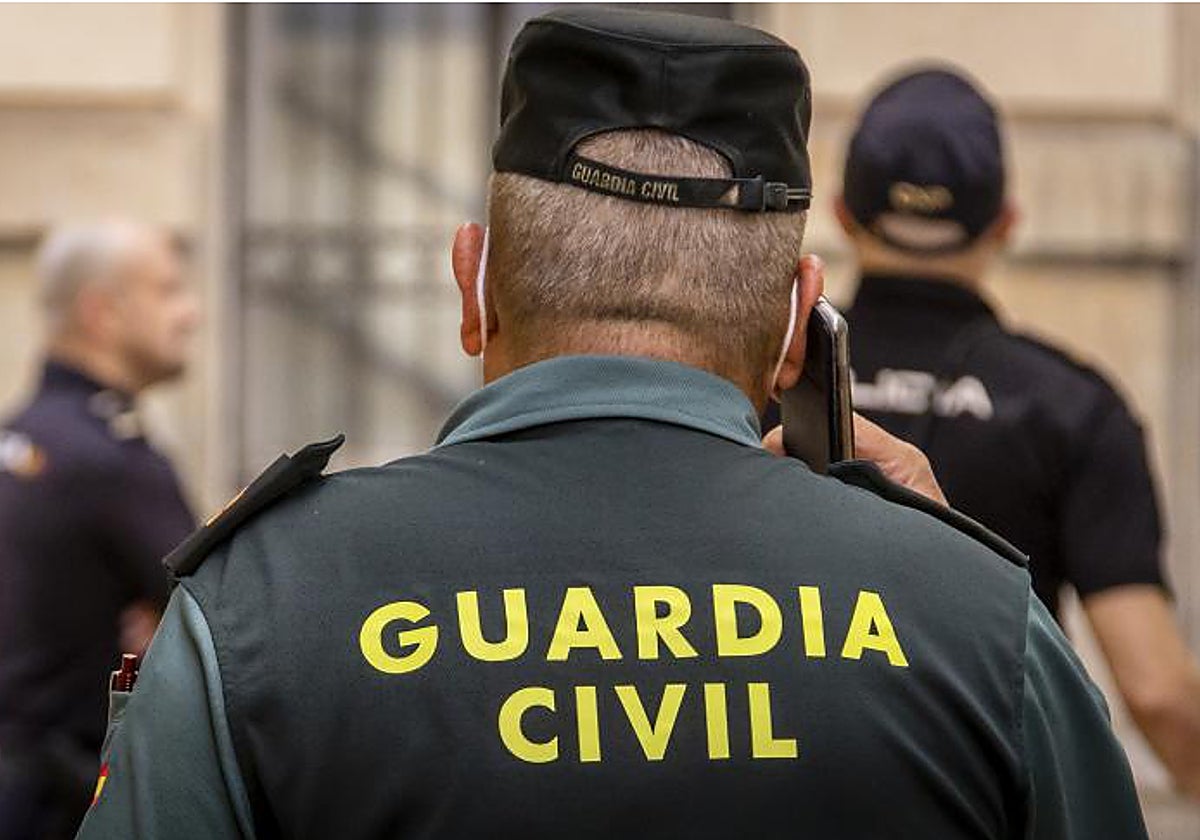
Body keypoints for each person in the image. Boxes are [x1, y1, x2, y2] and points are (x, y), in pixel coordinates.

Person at [77, 10, 1146, 839]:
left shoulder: (261, 610)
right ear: (798, 323)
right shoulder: (978, 628)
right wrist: (939, 579)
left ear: (472, 287)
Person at [776, 65, 1200, 801]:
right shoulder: (1072, 404)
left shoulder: (770, 378)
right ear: (1006, 222)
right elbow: (1158, 692)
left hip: (791, 789)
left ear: (841, 213)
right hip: (983, 795)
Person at [0, 221, 199, 840]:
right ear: (102, 312)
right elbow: (218, 610)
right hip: (59, 806)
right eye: (167, 290)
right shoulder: (107, 460)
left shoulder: (24, 438)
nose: (189, 313)